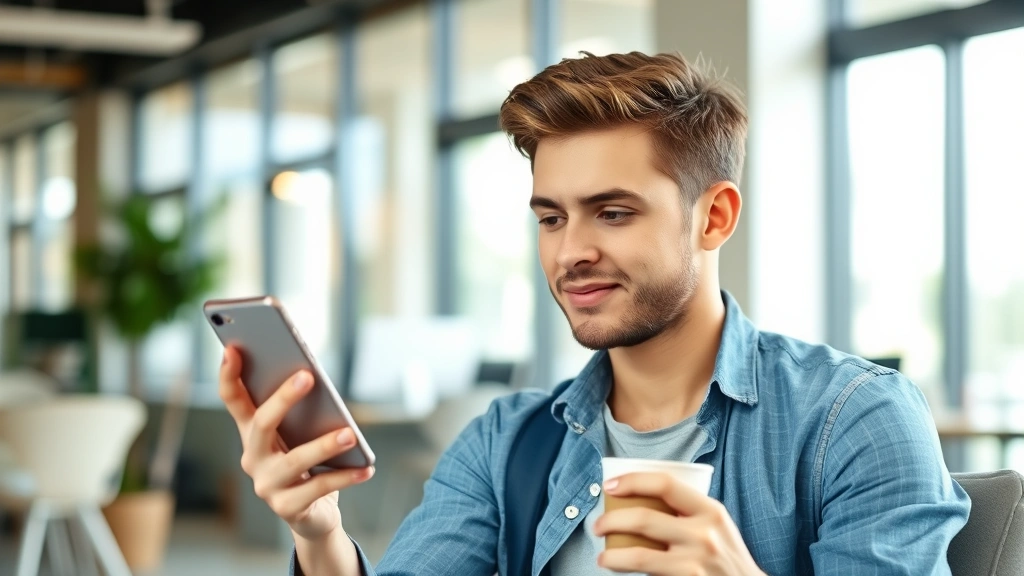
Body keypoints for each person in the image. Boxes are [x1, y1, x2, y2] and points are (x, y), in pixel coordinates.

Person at [218, 51, 970, 575]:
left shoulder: (854, 420)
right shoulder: (505, 440)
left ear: (713, 219)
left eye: (611, 213)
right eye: (550, 218)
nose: (570, 251)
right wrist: (319, 537)